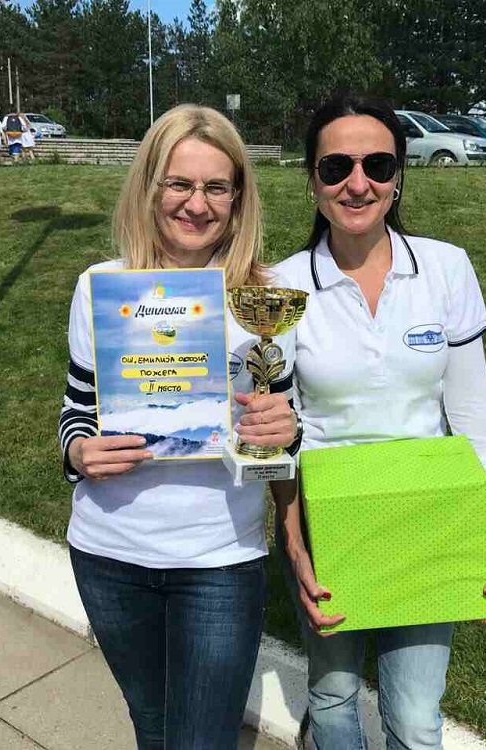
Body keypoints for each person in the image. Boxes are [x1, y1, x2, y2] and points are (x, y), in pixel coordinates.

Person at [271, 93, 486, 749]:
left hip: (431, 517)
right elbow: (275, 436)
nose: (358, 184)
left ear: (399, 176)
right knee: (333, 696)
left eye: (377, 165)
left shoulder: (446, 268)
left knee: (413, 717)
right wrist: (294, 544)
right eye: (336, 167)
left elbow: (474, 417)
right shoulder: (280, 287)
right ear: (312, 180)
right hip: (328, 523)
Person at [59, 103, 302, 750]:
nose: (197, 204)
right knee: (153, 725)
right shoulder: (100, 287)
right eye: (179, 183)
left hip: (218, 560)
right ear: (149, 187)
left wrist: (286, 430)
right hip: (109, 554)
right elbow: (75, 411)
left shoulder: (265, 299)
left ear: (238, 197)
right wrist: (79, 452)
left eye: (217, 186)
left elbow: (284, 433)